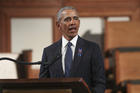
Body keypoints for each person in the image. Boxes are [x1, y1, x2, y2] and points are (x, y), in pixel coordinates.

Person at [39, 6, 106, 93]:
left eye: (75, 18)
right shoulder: (49, 52)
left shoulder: (92, 48)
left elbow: (100, 84)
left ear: (79, 22)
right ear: (58, 25)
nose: (72, 22)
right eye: (67, 19)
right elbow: (43, 84)